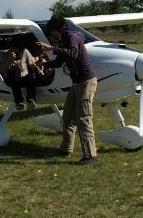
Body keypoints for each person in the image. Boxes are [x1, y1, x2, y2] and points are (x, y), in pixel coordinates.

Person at [38, 13, 98, 166]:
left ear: (57, 29)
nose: (51, 35)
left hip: (85, 82)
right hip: (77, 83)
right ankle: (65, 149)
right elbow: (60, 61)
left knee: (84, 118)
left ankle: (90, 155)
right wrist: (44, 65)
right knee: (68, 117)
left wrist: (50, 48)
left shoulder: (71, 38)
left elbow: (73, 53)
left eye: (51, 31)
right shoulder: (66, 39)